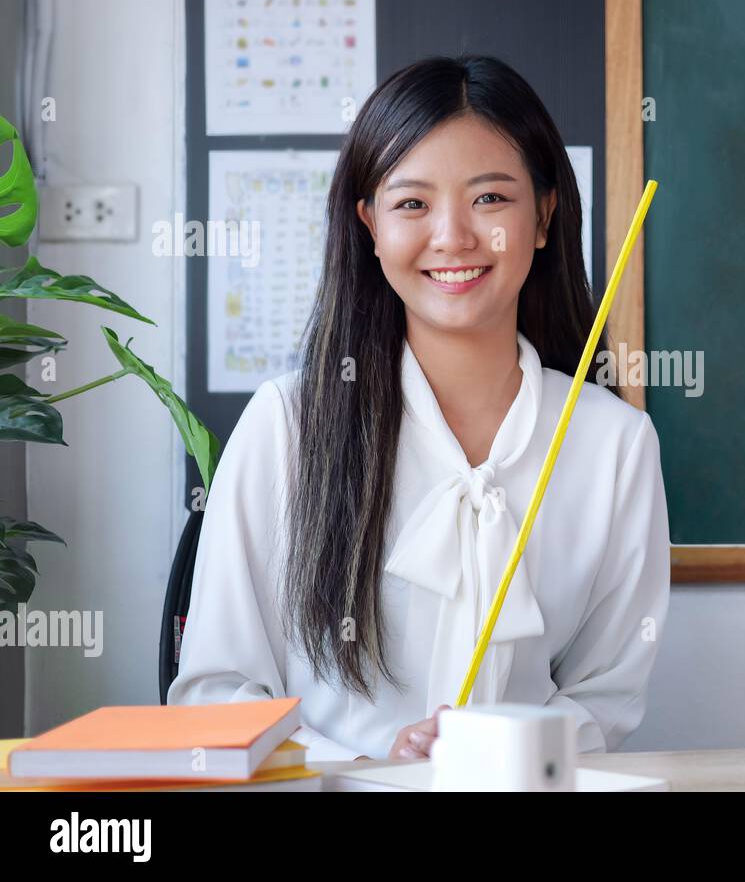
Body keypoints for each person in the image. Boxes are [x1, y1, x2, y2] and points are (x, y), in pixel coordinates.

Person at [167, 55, 671, 762]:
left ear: (544, 215)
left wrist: (500, 750)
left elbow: (605, 697)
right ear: (370, 225)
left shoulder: (615, 444)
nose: (454, 237)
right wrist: (363, 765)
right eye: (412, 204)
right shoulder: (287, 426)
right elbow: (214, 695)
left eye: (490, 199)